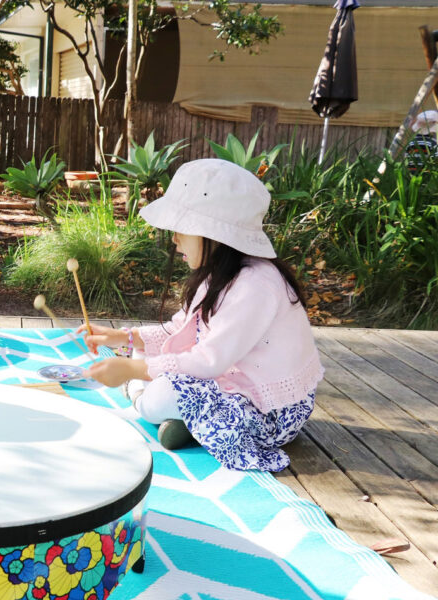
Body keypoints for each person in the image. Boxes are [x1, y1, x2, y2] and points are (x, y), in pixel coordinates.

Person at [78, 159, 324, 471]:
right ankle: (193, 423)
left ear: (213, 232)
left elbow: (209, 361)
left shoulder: (255, 285)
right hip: (237, 385)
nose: (174, 238)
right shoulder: (219, 274)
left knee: (161, 393)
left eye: (182, 228)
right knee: (151, 359)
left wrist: (130, 371)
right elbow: (180, 329)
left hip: (272, 412)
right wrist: (123, 336)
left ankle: (142, 398)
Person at [405, 110, 438, 175]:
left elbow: (406, 157)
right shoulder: (432, 143)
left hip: (412, 174)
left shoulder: (411, 143)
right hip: (427, 174)